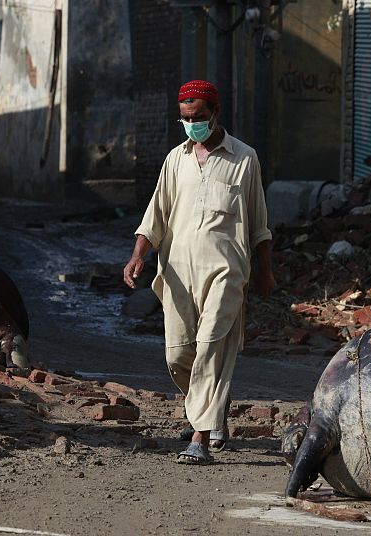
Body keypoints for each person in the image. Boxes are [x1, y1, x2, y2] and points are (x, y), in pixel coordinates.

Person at [123, 80, 274, 465]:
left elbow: (259, 224)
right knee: (178, 355)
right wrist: (138, 254)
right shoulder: (176, 159)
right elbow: (154, 216)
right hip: (176, 273)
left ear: (215, 114)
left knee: (211, 347)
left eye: (199, 118)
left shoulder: (244, 159)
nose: (192, 125)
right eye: (186, 119)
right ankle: (212, 409)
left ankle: (200, 439)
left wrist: (264, 272)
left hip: (226, 271)